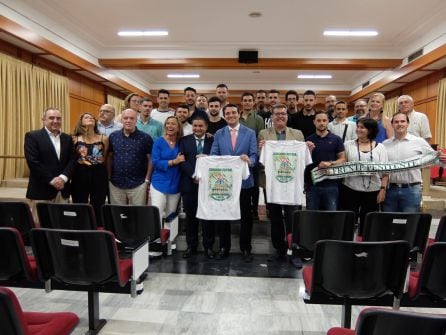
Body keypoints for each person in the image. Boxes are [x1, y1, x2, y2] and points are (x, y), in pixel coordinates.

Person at [258, 104, 309, 266]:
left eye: (283, 114)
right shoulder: (264, 134)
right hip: (271, 184)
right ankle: (278, 250)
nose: (280, 116)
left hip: (291, 185)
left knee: (293, 219)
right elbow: (262, 159)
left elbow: (302, 157)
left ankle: (293, 251)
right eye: (277, 114)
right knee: (275, 219)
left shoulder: (297, 134)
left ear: (287, 116)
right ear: (272, 117)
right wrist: (261, 149)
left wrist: (308, 149)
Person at [210, 104, 257, 262]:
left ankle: (245, 249)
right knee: (223, 216)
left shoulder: (250, 133)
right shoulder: (219, 133)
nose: (231, 115)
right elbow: (214, 154)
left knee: (246, 217)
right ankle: (224, 247)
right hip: (224, 184)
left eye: (233, 112)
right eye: (228, 113)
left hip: (244, 182)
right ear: (225, 116)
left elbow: (254, 155)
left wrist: (249, 161)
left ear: (239, 113)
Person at [382, 112, 444, 212]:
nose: (399, 124)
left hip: (411, 191)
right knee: (389, 224)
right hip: (391, 190)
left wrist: (441, 158)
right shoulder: (385, 144)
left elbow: (434, 159)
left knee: (409, 224)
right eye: (396, 122)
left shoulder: (419, 141)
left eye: (403, 121)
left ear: (407, 124)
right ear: (392, 124)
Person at [24, 107, 76, 224]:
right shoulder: (33, 136)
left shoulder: (67, 138)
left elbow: (72, 160)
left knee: (62, 224)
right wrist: (52, 180)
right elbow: (33, 161)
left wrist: (63, 178)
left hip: (62, 190)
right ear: (43, 119)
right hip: (41, 189)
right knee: (41, 225)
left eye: (58, 118)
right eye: (51, 118)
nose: (55, 121)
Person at [339, 118, 388, 235]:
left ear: (370, 130)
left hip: (373, 191)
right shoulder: (347, 145)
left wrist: (383, 189)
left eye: (362, 127)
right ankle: (348, 247)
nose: (359, 130)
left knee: (370, 223)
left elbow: (386, 172)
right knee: (349, 222)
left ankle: (366, 249)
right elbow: (341, 163)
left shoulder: (381, 147)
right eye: (358, 127)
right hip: (350, 189)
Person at [179, 117, 214, 258]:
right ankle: (191, 246)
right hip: (189, 184)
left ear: (206, 127)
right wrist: (193, 175)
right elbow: (182, 160)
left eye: (201, 126)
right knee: (191, 218)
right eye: (195, 126)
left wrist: (204, 176)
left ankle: (208, 247)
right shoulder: (184, 140)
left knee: (207, 217)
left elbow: (216, 158)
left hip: (208, 185)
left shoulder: (213, 140)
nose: (198, 128)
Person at [107, 109, 153, 205]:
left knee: (138, 215)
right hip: (116, 183)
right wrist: (109, 177)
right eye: (125, 118)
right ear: (122, 120)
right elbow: (110, 157)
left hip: (139, 183)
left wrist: (147, 179)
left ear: (136, 120)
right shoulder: (113, 137)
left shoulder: (145, 138)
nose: (128, 120)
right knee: (117, 214)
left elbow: (151, 159)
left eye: (132, 118)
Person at [71, 112, 109, 226]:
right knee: (79, 201)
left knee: (98, 202)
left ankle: (97, 227)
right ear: (81, 122)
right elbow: (72, 158)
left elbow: (105, 157)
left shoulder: (104, 138)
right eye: (86, 117)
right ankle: (80, 225)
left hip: (99, 173)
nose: (90, 118)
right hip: (79, 173)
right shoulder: (74, 139)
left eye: (92, 117)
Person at [305, 111, 345, 210]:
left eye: (324, 120)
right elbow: (304, 162)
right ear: (314, 122)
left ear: (328, 122)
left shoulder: (336, 139)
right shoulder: (308, 140)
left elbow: (343, 159)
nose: (321, 123)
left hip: (331, 184)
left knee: (331, 216)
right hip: (312, 184)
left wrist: (330, 163)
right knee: (312, 216)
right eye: (318, 120)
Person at [150, 116, 185, 220]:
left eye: (173, 123)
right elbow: (155, 162)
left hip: (176, 183)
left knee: (171, 215)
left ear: (178, 127)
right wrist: (173, 162)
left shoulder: (182, 142)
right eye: (168, 123)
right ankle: (157, 236)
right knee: (157, 213)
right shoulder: (158, 142)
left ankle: (169, 236)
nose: (170, 126)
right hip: (159, 183)